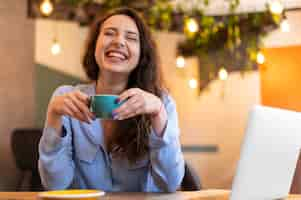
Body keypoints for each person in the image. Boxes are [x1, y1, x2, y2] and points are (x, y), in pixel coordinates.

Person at [38, 7, 184, 192]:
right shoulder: (67, 99)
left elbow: (170, 184)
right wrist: (53, 117)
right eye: (109, 33)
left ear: (142, 55)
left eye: (131, 38)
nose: (119, 42)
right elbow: (55, 184)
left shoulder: (161, 103)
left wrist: (159, 113)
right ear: (94, 46)